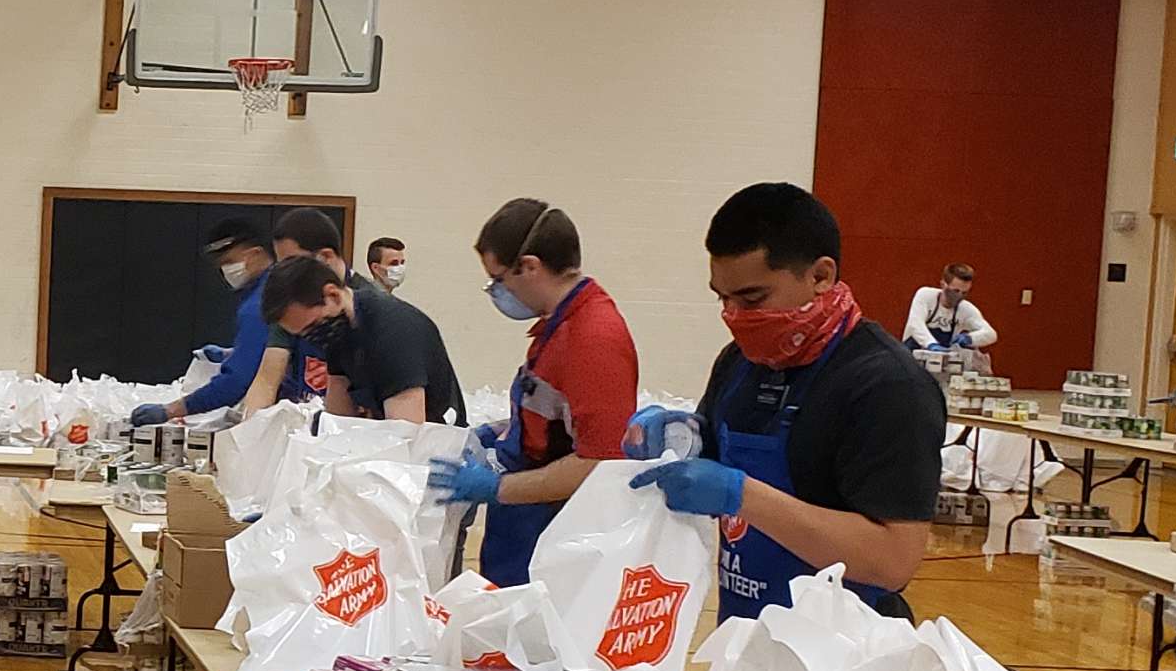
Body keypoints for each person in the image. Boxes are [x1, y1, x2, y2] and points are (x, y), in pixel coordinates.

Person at [631, 183, 943, 621]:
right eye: (723, 299)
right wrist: (678, 438)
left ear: (820, 276)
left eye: (753, 299)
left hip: (847, 660)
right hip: (746, 644)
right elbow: (710, 455)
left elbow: (892, 560)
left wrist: (741, 496)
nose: (734, 316)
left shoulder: (888, 386)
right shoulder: (740, 363)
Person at [427, 201, 639, 584]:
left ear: (529, 266)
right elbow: (559, 418)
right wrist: (499, 432)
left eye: (498, 280)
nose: (497, 293)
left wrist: (497, 486)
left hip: (551, 536)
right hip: (523, 528)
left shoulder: (593, 338)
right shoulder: (559, 327)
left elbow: (601, 461)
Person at [130, 214, 315, 429]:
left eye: (229, 262)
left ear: (256, 254)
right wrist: (234, 353)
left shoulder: (261, 302)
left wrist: (170, 410)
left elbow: (237, 381)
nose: (225, 271)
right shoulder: (271, 291)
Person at [262, 255, 464, 424]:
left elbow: (405, 435)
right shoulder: (338, 329)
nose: (311, 338)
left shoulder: (393, 329)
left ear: (333, 295)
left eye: (312, 327)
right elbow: (338, 418)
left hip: (433, 454)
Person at [902, 264, 996, 355]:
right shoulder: (925, 295)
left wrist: (970, 338)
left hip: (942, 361)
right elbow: (915, 324)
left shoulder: (965, 309)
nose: (959, 296)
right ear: (943, 284)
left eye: (964, 293)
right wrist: (931, 344)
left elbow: (991, 334)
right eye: (955, 291)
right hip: (911, 357)